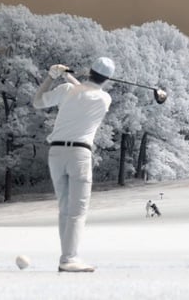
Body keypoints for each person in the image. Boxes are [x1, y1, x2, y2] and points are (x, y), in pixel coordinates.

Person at [33, 57, 115, 273]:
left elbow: (38, 101)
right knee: (77, 211)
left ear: (89, 71)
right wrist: (67, 76)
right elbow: (86, 92)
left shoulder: (67, 89)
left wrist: (53, 76)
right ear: (107, 79)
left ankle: (67, 258)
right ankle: (69, 258)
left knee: (65, 209)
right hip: (79, 153)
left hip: (56, 153)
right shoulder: (105, 98)